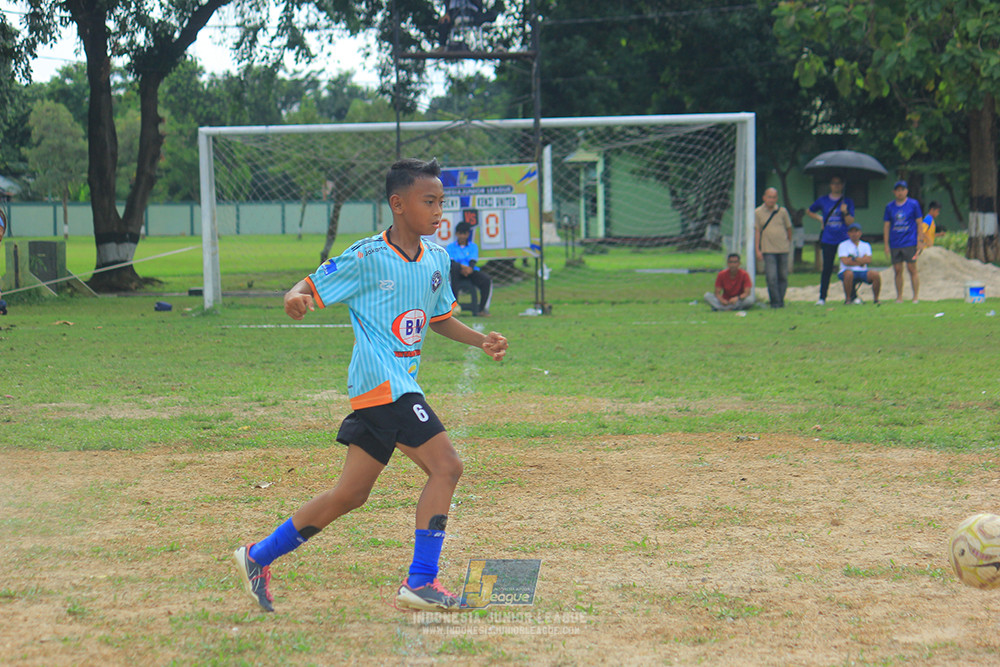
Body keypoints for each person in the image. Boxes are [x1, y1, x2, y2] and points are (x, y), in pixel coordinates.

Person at [233, 158, 509, 614]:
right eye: (429, 201)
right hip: (385, 386)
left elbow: (439, 320)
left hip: (386, 392)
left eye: (442, 202)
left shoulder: (437, 260)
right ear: (398, 204)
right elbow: (310, 283)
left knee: (350, 495)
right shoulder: (367, 257)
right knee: (447, 467)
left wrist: (481, 340)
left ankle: (257, 557)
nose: (439, 211)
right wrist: (293, 297)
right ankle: (421, 581)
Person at [806, 175, 855, 305]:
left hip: (844, 239)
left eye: (839, 183)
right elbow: (809, 211)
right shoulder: (823, 200)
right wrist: (820, 219)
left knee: (847, 268)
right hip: (828, 239)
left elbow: (850, 222)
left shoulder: (847, 201)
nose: (836, 186)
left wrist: (845, 212)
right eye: (834, 183)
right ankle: (822, 297)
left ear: (842, 185)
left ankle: (851, 296)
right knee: (827, 268)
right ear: (830, 185)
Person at [882, 180, 923, 303]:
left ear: (906, 191)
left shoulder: (913, 204)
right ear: (894, 192)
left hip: (909, 241)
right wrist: (886, 244)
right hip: (895, 242)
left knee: (912, 269)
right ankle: (899, 296)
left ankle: (915, 296)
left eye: (902, 190)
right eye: (898, 190)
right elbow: (886, 225)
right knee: (898, 270)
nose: (900, 192)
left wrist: (920, 240)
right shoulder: (889, 207)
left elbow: (919, 223)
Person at [754, 187, 793, 308]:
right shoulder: (758, 212)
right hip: (768, 249)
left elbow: (789, 228)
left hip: (783, 249)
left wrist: (788, 242)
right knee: (771, 277)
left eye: (774, 197)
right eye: (769, 197)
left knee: (783, 276)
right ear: (764, 198)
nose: (772, 200)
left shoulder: (782, 211)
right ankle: (775, 302)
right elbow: (757, 231)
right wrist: (757, 249)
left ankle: (780, 300)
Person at [446, 221, 493, 316]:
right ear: (456, 234)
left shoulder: (473, 246)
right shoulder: (450, 247)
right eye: (460, 233)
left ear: (468, 234)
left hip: (470, 272)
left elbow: (473, 260)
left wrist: (469, 269)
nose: (462, 236)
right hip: (456, 273)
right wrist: (462, 267)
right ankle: (454, 305)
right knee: (454, 268)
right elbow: (451, 261)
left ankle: (482, 309)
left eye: (465, 233)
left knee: (486, 280)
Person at [837, 223, 881, 305]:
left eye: (856, 231)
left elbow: (868, 260)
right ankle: (848, 299)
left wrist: (853, 259)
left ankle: (876, 299)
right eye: (851, 232)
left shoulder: (865, 245)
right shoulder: (843, 245)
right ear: (848, 233)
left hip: (862, 271)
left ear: (860, 233)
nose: (854, 234)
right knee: (848, 274)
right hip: (847, 270)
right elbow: (845, 261)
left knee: (875, 274)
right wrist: (861, 261)